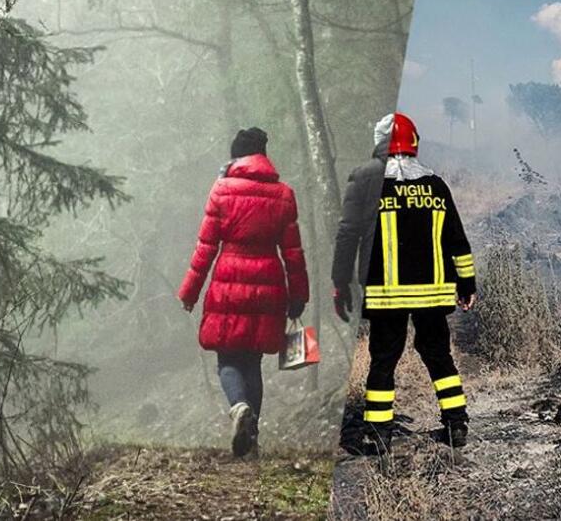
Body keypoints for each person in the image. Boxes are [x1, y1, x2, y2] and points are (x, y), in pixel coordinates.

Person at [331, 113, 477, 452]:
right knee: (439, 355)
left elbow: (347, 236)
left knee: (383, 359)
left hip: (386, 298)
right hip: (432, 295)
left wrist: (340, 282)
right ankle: (456, 424)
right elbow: (458, 241)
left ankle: (379, 434)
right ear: (413, 145)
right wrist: (466, 285)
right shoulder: (436, 186)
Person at [177, 127, 308, 457]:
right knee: (253, 363)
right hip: (269, 282)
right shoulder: (283, 193)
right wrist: (298, 295)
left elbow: (206, 246)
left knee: (228, 359)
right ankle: (251, 440)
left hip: (229, 279)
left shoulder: (222, 190)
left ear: (236, 156)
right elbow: (293, 251)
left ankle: (238, 408)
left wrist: (189, 292)